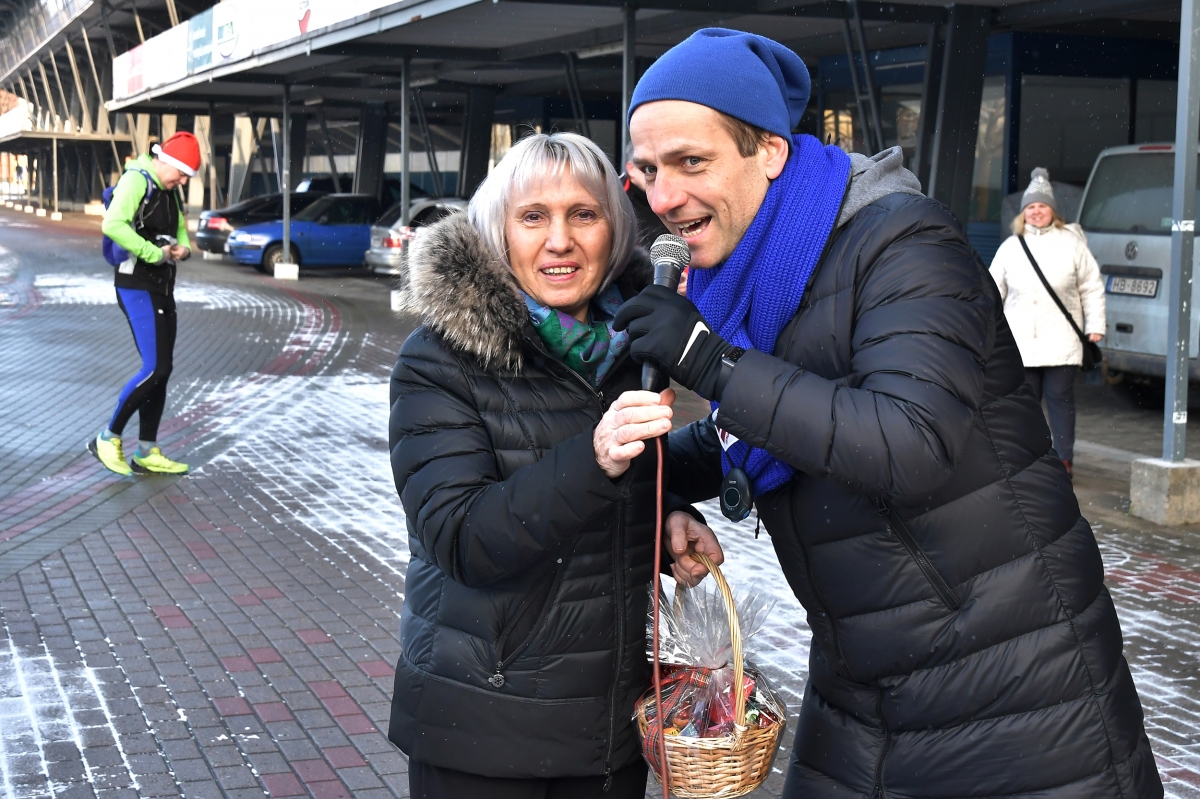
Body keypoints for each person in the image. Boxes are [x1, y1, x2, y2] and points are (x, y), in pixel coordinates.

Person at [615, 28, 1161, 799]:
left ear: (769, 151)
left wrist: (711, 363)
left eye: (690, 163)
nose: (663, 197)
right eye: (648, 170)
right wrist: (657, 471)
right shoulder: (759, 275)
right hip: (860, 683)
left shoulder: (904, 243)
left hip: (1014, 690)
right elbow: (770, 421)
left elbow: (908, 441)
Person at [387, 132, 723, 798]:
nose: (560, 240)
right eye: (533, 216)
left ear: (614, 231)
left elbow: (615, 481)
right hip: (485, 729)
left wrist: (666, 517)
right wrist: (596, 459)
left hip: (608, 733)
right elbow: (461, 536)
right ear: (499, 232)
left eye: (584, 214)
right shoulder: (439, 358)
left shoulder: (631, 348)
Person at [89, 132, 198, 476]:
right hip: (135, 285)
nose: (183, 181)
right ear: (165, 161)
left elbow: (180, 227)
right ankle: (107, 438)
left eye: (188, 177)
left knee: (162, 373)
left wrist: (184, 248)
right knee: (155, 369)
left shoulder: (170, 190)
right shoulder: (137, 180)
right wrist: (152, 253)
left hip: (163, 286)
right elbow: (112, 224)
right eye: (181, 173)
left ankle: (147, 452)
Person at [990, 168, 1105, 477]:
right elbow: (992, 291)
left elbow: (1091, 286)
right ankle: (1028, 459)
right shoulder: (1011, 247)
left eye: (1042, 205)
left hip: (1062, 340)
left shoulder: (1072, 243)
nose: (1037, 211)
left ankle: (1064, 459)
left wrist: (1095, 325)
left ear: (1053, 211)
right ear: (1023, 212)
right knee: (1025, 403)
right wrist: (987, 330)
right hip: (1021, 341)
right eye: (1031, 206)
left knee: (1060, 399)